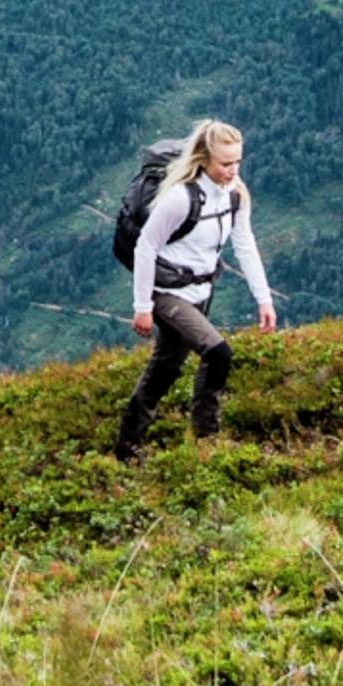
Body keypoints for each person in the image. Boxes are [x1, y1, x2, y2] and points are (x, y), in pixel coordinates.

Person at [113, 118, 276, 458]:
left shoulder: (235, 195)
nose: (233, 171)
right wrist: (142, 306)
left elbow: (245, 244)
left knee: (165, 369)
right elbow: (146, 247)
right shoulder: (180, 198)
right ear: (204, 159)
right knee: (218, 354)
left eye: (237, 162)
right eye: (225, 164)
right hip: (167, 292)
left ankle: (126, 449)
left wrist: (264, 299)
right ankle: (206, 440)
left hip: (202, 291)